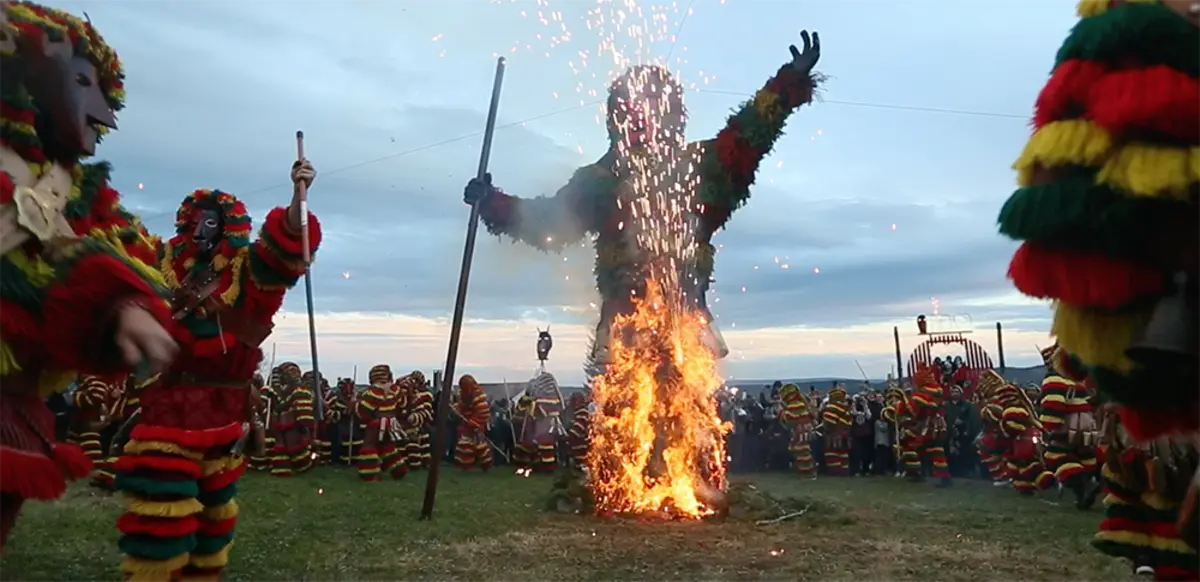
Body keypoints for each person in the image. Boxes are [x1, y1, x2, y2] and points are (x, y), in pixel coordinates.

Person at [464, 33, 823, 366]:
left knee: (687, 418)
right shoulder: (598, 182)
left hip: (686, 326)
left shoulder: (702, 169)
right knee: (626, 420)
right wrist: (492, 202)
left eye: (653, 109)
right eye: (632, 110)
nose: (642, 121)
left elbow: (748, 136)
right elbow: (548, 223)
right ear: (615, 118)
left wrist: (787, 83)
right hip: (624, 332)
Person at [0, 1, 183, 554]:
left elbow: (113, 254)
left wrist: (126, 306)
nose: (102, 113)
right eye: (82, 82)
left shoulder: (77, 193)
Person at [113, 164, 320, 580]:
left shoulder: (246, 269)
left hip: (225, 410)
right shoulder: (164, 262)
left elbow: (287, 248)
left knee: (214, 512)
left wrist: (299, 198)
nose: (204, 227)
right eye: (197, 220)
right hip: (169, 408)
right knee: (161, 506)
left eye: (213, 220)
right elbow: (119, 249)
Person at [354, 365, 408, 482]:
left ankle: (370, 474)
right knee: (387, 447)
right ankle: (398, 470)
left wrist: (355, 404)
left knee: (369, 446)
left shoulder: (372, 392)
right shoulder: (396, 390)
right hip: (392, 424)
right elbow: (403, 405)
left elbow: (363, 411)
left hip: (376, 424)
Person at [453, 375, 493, 471]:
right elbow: (462, 407)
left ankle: (485, 464)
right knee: (466, 444)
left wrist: (474, 422)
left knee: (479, 446)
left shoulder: (478, 397)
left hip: (476, 425)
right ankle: (465, 465)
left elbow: (483, 412)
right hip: (467, 425)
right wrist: (457, 408)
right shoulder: (464, 395)